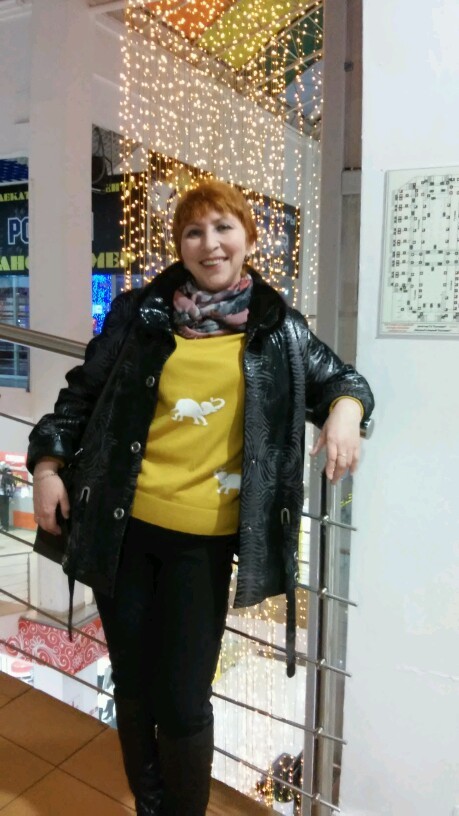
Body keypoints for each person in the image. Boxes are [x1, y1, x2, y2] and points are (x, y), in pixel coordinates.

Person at [27, 180, 374, 816]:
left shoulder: (279, 330)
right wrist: (48, 465)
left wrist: (347, 411)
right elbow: (81, 394)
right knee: (133, 684)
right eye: (194, 232)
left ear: (249, 239)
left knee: (185, 700)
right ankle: (150, 805)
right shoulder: (139, 315)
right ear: (180, 246)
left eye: (223, 228)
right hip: (121, 525)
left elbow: (344, 380)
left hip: (204, 542)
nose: (209, 244)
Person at [0, 464, 16, 531]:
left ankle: (5, 527)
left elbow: (12, 485)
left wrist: (10, 496)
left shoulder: (8, 474)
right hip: (1, 494)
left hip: (5, 495)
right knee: (1, 511)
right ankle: (2, 525)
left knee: (5, 511)